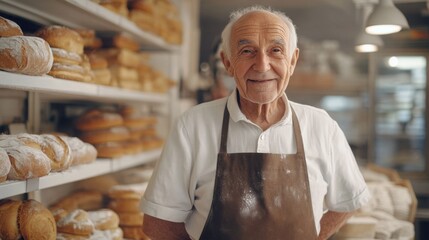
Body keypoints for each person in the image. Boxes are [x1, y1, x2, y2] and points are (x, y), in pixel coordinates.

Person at [141, 5, 370, 240]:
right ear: (227, 62)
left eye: (276, 50)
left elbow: (349, 200)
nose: (262, 65)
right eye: (248, 51)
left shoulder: (322, 126)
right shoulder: (192, 126)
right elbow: (158, 222)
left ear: (292, 61)